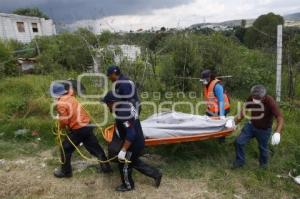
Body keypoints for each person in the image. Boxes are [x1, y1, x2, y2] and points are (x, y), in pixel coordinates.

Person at [102, 91, 162, 192]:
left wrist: (123, 150)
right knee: (132, 162)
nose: (107, 106)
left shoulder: (122, 113)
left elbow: (131, 134)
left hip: (133, 143)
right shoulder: (127, 104)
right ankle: (156, 174)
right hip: (138, 139)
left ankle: (128, 185)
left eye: (107, 103)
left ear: (113, 102)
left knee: (124, 165)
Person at [51, 83, 112, 178]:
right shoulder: (71, 97)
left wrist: (60, 126)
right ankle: (106, 167)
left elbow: (64, 120)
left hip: (78, 129)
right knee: (95, 147)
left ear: (55, 94)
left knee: (65, 148)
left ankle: (65, 172)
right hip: (87, 125)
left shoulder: (61, 103)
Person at [233, 85, 284, 169]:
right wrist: (234, 122)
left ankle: (263, 167)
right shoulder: (251, 97)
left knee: (263, 149)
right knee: (239, 142)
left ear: (264, 97)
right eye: (254, 98)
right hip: (251, 125)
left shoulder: (270, 101)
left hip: (264, 129)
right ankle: (240, 162)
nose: (255, 100)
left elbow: (280, 117)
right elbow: (243, 111)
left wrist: (277, 132)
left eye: (258, 99)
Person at [200, 69, 230, 142]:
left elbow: (221, 101)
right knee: (209, 121)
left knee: (220, 124)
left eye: (205, 79)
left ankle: (221, 141)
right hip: (213, 109)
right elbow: (210, 98)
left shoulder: (217, 86)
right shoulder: (206, 85)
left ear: (210, 77)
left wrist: (222, 115)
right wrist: (208, 108)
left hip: (223, 108)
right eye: (203, 79)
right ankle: (212, 136)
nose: (204, 81)